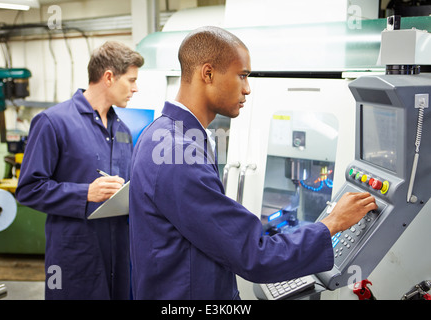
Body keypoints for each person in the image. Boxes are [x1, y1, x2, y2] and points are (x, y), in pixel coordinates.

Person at [128, 26, 377, 300]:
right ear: (207, 73)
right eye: (242, 76)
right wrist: (332, 223)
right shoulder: (178, 154)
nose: (247, 89)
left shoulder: (161, 134)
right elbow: (255, 256)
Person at [16, 41, 144, 300]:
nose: (135, 88)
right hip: (73, 256)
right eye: (130, 80)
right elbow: (29, 189)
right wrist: (85, 193)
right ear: (109, 77)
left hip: (119, 253)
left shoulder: (122, 130)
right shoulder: (53, 122)